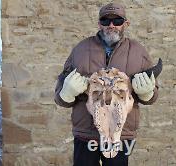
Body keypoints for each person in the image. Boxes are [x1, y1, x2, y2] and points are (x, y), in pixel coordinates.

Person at [54, 2, 159, 166]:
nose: (111, 25)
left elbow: (153, 94)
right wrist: (66, 94)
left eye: (117, 21)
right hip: (86, 134)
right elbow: (60, 92)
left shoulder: (139, 52)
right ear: (99, 23)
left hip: (121, 135)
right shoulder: (80, 49)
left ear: (126, 23)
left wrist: (147, 93)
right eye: (105, 21)